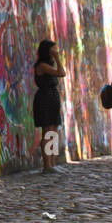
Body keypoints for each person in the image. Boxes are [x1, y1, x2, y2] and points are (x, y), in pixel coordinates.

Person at [33, 39, 66, 174]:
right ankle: (47, 165)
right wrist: (58, 58)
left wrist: (56, 59)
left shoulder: (49, 64)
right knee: (47, 131)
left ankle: (52, 163)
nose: (55, 52)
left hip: (52, 96)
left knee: (54, 131)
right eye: (53, 50)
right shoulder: (42, 65)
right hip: (45, 97)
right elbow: (61, 73)